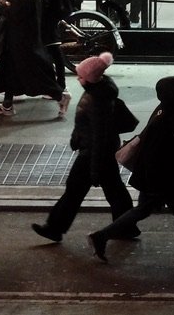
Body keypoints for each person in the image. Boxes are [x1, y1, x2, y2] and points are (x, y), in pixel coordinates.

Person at [87, 76, 174, 269]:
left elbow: (172, 145)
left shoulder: (167, 110)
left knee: (143, 210)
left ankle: (100, 237)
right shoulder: (167, 117)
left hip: (154, 173)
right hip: (161, 175)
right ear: (173, 96)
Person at [32, 52, 136, 243]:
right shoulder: (99, 90)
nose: (78, 78)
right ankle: (126, 226)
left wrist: (94, 168)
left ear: (91, 79)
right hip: (99, 150)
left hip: (94, 154)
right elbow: (88, 125)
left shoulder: (97, 101)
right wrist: (77, 136)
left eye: (81, 76)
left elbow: (99, 135)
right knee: (114, 190)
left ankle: (55, 228)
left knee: (75, 190)